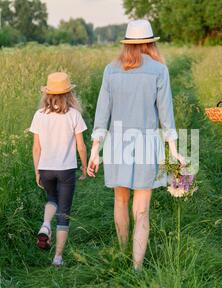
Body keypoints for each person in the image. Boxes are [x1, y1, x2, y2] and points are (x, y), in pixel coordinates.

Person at [87, 20, 185, 271]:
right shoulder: (159, 70)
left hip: (117, 143)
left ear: (127, 43)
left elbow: (102, 114)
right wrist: (174, 150)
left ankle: (121, 251)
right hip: (145, 144)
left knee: (120, 200)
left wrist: (95, 150)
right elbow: (166, 115)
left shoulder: (111, 70)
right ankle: (137, 267)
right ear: (151, 43)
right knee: (142, 209)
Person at [29, 72, 88, 266]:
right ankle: (57, 258)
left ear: (47, 94)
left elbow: (36, 147)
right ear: (69, 94)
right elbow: (81, 146)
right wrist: (84, 167)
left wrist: (37, 170)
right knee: (64, 213)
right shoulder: (74, 115)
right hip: (66, 170)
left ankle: (45, 225)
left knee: (51, 199)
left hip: (46, 168)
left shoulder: (39, 115)